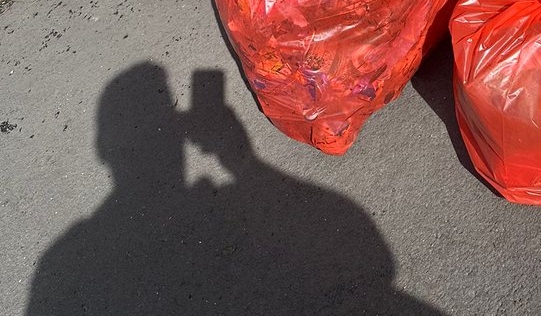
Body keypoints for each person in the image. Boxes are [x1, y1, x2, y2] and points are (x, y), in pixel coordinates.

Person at [26, 63, 444, 316]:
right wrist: (243, 162)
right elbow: (374, 268)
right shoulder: (343, 219)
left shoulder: (59, 263)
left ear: (101, 149)